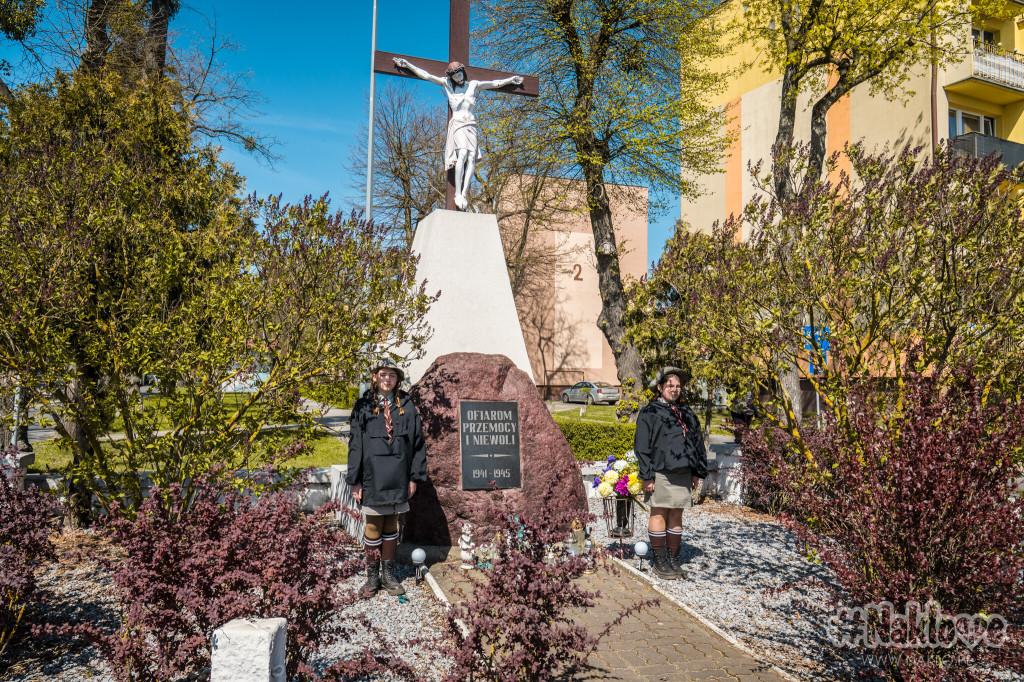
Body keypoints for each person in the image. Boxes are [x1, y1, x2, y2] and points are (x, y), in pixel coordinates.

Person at [393, 57, 523, 210]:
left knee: (471, 157)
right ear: (451, 77)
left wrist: (510, 80)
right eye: (455, 76)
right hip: (458, 124)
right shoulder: (447, 85)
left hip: (471, 125)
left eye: (459, 74)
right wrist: (408, 65)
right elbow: (427, 75)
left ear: (463, 72)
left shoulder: (473, 85)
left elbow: (495, 83)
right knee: (462, 153)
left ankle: (464, 193)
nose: (458, 77)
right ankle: (457, 193)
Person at [347, 358, 427, 598]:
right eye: (383, 374)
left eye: (392, 375)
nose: (387, 379)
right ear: (375, 377)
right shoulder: (363, 406)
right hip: (372, 478)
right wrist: (354, 480)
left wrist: (414, 478)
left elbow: (417, 443)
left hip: (398, 477)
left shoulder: (407, 406)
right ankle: (372, 578)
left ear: (397, 379)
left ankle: (389, 576)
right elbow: (355, 445)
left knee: (392, 526)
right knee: (373, 525)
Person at [633, 367, 708, 580]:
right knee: (659, 513)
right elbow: (642, 446)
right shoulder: (649, 413)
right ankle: (660, 561)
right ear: (659, 387)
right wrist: (647, 475)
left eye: (677, 386)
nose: (674, 389)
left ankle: (673, 559)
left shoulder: (687, 413)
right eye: (669, 385)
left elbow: (697, 443)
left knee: (676, 514)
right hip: (660, 473)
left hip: (683, 473)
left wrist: (696, 471)